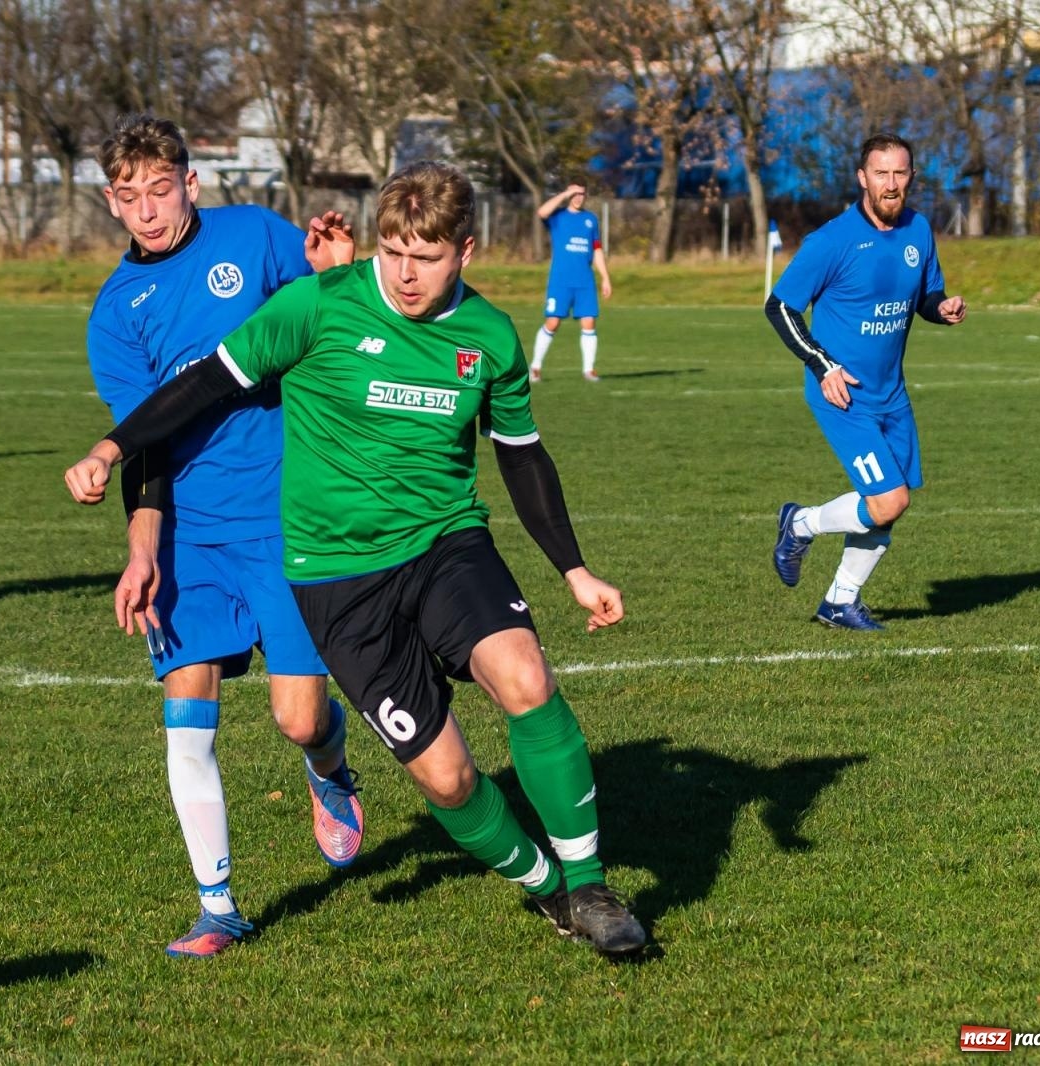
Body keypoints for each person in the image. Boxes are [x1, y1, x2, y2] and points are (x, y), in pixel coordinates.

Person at [67, 160, 647, 958]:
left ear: (465, 253)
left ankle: (590, 884)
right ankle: (548, 893)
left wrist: (574, 571)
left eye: (427, 257)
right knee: (446, 781)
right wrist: (110, 447)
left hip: (446, 542)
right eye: (394, 252)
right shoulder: (317, 307)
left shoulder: (488, 338)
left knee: (524, 676)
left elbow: (522, 456)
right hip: (336, 578)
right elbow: (203, 384)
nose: (406, 274)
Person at [84, 113, 365, 958]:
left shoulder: (253, 236)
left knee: (297, 717)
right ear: (109, 201)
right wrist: (141, 550)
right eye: (128, 196)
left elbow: (332, 320)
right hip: (187, 539)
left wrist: (335, 274)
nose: (147, 210)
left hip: (285, 517)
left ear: (192, 184)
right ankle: (218, 907)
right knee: (186, 720)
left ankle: (329, 767)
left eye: (160, 190)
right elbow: (144, 440)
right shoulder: (116, 311)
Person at [766, 133, 967, 630]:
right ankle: (801, 523)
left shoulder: (919, 230)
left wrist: (939, 309)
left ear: (912, 177)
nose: (891, 183)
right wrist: (822, 364)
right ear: (862, 178)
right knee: (888, 499)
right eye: (882, 173)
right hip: (843, 393)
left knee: (890, 506)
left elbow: (925, 294)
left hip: (891, 394)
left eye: (900, 173)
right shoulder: (831, 241)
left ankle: (839, 601)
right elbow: (781, 307)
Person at [529, 184, 611, 383]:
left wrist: (605, 277)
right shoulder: (558, 217)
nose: (578, 197)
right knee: (553, 322)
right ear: (568, 195)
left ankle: (589, 370)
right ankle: (535, 367)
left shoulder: (590, 219)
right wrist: (565, 193)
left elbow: (597, 250)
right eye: (574, 194)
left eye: (582, 193)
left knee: (589, 321)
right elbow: (542, 212)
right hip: (561, 281)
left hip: (584, 281)